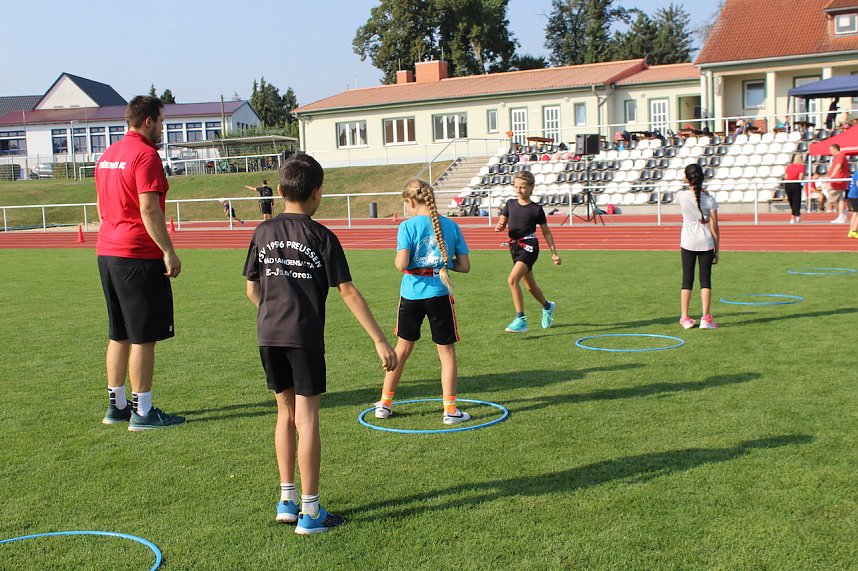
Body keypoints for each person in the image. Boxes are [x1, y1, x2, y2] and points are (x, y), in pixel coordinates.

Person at [243, 153, 397, 535]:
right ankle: (310, 513)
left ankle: (287, 500)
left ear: (279, 191)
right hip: (303, 337)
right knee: (307, 417)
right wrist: (380, 340)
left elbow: (251, 288)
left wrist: (273, 312)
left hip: (268, 335)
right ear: (318, 193)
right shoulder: (321, 236)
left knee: (284, 415)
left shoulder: (262, 233)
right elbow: (347, 291)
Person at [95, 95, 186, 431]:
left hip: (107, 250)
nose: (163, 127)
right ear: (148, 120)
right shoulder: (145, 155)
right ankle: (143, 411)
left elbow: (102, 204)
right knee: (142, 336)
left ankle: (116, 406)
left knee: (118, 333)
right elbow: (149, 208)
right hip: (137, 254)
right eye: (162, 120)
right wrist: (168, 250)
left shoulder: (108, 154)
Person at [373, 179, 471, 425]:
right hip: (439, 294)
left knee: (402, 350)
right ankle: (450, 410)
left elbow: (402, 263)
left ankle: (384, 404)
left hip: (411, 295)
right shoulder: (449, 225)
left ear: (411, 201)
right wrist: (442, 264)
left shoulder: (407, 226)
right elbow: (465, 266)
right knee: (447, 354)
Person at [495, 171, 561, 333]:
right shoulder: (510, 204)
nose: (519, 190)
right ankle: (547, 306)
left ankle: (521, 319)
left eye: (523, 187)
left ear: (531, 188)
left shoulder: (536, 209)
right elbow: (502, 223)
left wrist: (553, 252)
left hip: (529, 247)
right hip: (514, 247)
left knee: (512, 280)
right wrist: (500, 227)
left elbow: (546, 232)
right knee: (531, 287)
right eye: (516, 187)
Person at [677, 163, 720, 330]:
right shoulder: (710, 200)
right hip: (705, 241)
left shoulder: (680, 196)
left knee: (687, 280)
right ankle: (705, 318)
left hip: (687, 240)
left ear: (687, 178)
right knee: (705, 281)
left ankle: (685, 317)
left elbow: (689, 197)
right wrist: (717, 249)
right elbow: (715, 227)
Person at [827, 143, 849, 223]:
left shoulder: (840, 156)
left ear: (836, 149)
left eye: (831, 150)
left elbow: (838, 166)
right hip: (836, 181)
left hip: (838, 181)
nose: (830, 152)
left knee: (833, 198)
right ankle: (842, 214)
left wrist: (831, 177)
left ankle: (842, 213)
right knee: (839, 199)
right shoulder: (838, 157)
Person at [783, 154, 805, 224]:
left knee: (792, 201)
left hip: (788, 184)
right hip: (795, 184)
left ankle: (793, 216)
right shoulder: (802, 166)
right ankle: (796, 214)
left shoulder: (789, 167)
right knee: (796, 201)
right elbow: (800, 178)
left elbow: (786, 177)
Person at [847, 167, 858, 239]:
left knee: (855, 213)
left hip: (852, 195)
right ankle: (854, 230)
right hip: (855, 195)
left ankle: (851, 230)